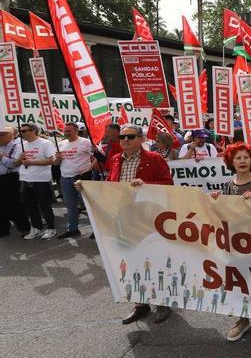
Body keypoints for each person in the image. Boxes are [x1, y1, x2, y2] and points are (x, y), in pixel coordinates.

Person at [77, 124, 174, 324]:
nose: (125, 140)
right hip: (123, 219)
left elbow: (168, 185)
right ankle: (140, 303)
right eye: (122, 136)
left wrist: (147, 185)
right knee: (130, 262)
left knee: (154, 261)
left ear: (141, 139)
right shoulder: (114, 160)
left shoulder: (155, 159)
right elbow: (109, 188)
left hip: (148, 218)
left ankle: (163, 302)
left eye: (130, 136)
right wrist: (86, 188)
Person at [209, 143, 251, 341]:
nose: (242, 161)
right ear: (231, 161)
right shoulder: (229, 186)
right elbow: (226, 214)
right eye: (238, 158)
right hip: (237, 243)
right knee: (239, 281)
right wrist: (216, 200)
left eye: (246, 157)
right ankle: (243, 319)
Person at [13, 124, 58, 240]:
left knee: (44, 205)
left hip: (41, 179)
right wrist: (20, 159)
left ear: (33, 131)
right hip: (25, 179)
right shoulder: (21, 145)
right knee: (30, 206)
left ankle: (51, 228)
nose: (21, 133)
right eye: (20, 131)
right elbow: (15, 164)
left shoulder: (45, 143)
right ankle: (36, 228)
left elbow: (51, 160)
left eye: (24, 131)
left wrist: (31, 162)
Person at [55, 122, 93, 238]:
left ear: (76, 131)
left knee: (89, 206)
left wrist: (88, 169)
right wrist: (57, 158)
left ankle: (96, 231)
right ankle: (72, 229)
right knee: (70, 206)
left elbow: (98, 157)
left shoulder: (85, 142)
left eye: (69, 131)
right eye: (65, 131)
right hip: (65, 178)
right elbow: (56, 163)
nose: (66, 133)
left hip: (81, 179)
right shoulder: (61, 144)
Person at [0, 126, 30, 238]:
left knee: (15, 203)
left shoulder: (17, 146)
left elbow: (14, 164)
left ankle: (24, 227)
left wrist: (2, 158)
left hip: (11, 178)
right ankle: (3, 229)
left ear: (10, 136)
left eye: (1, 134)